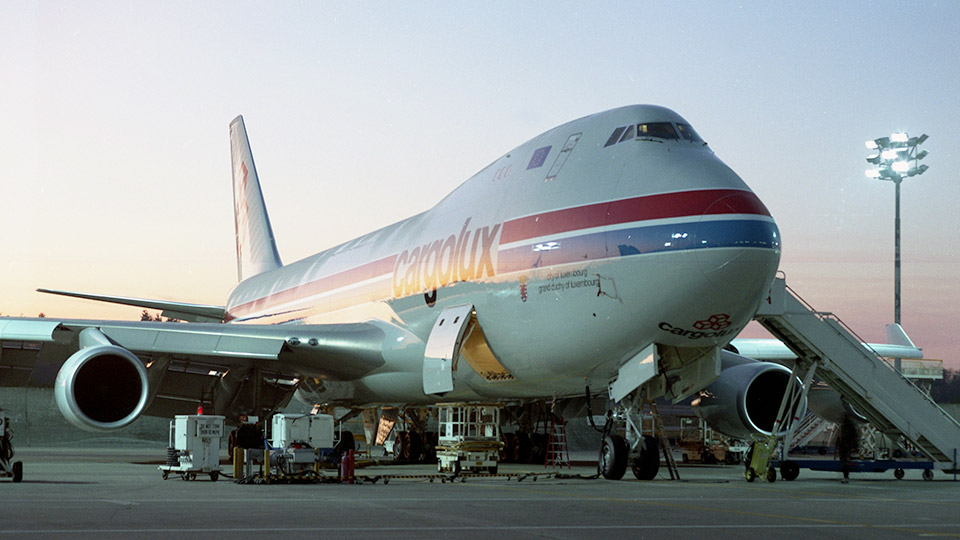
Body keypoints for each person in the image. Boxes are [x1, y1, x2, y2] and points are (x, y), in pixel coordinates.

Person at [837, 412, 859, 483]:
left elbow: (851, 437)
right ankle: (846, 476)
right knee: (845, 461)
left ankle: (846, 476)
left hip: (845, 446)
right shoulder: (850, 426)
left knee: (844, 461)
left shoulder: (847, 427)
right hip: (846, 446)